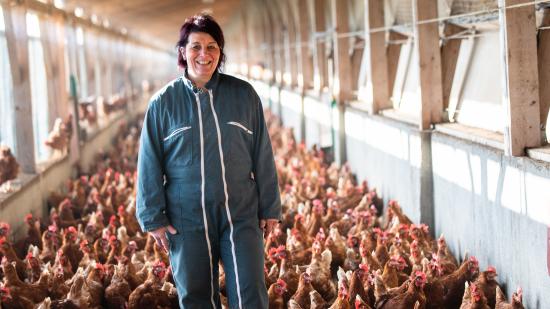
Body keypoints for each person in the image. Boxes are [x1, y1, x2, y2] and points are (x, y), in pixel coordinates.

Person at [135, 14, 281, 309]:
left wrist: (270, 207)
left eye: (212, 47)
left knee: (250, 292)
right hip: (186, 216)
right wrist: (152, 217)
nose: (205, 55)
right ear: (182, 52)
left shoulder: (244, 95)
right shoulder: (163, 103)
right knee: (196, 295)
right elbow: (149, 163)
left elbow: (262, 153)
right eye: (196, 46)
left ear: (221, 52)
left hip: (240, 211)